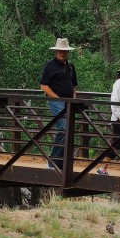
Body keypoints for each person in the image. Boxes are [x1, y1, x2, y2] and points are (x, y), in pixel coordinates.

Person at [40, 37, 77, 170]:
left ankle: (60, 162)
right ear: (56, 51)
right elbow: (44, 86)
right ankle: (53, 162)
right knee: (63, 128)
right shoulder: (50, 65)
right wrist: (57, 98)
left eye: (65, 51)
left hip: (69, 102)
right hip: (56, 101)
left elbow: (74, 84)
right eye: (60, 51)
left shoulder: (70, 65)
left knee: (68, 129)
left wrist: (73, 97)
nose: (62, 54)